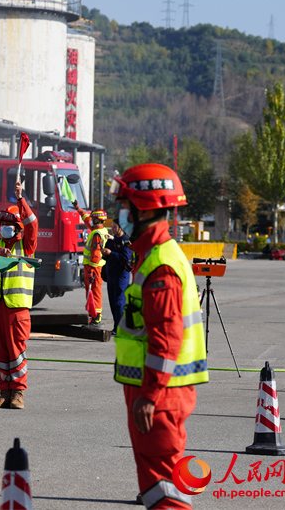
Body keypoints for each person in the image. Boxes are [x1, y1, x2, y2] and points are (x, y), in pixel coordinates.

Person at [111, 163, 208, 509]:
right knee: (156, 488)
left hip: (160, 397)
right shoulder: (150, 256)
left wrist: (149, 396)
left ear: (146, 208)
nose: (120, 215)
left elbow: (167, 339)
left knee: (165, 492)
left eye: (125, 207)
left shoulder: (161, 264)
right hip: (157, 392)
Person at [0, 182, 38, 410]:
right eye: (2, 224)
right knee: (1, 351)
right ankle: (4, 393)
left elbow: (32, 224)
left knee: (16, 352)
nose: (4, 228)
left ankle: (18, 394)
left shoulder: (27, 245)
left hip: (16, 308)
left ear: (17, 227)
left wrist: (20, 199)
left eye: (8, 225)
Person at [75, 205, 110, 327]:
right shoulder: (100, 230)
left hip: (93, 267)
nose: (91, 220)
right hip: (94, 267)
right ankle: (94, 316)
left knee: (94, 292)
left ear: (98, 220)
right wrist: (78, 208)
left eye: (93, 219)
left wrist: (90, 271)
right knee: (92, 291)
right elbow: (86, 219)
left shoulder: (96, 234)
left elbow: (95, 255)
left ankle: (96, 318)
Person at [103, 215, 133, 335]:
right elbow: (106, 253)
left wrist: (111, 253)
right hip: (111, 274)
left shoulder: (126, 241)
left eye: (115, 227)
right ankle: (116, 327)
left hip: (121, 275)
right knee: (112, 302)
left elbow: (125, 258)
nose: (113, 230)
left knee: (119, 302)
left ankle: (121, 328)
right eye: (112, 228)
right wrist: (105, 253)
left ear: (121, 228)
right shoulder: (111, 240)